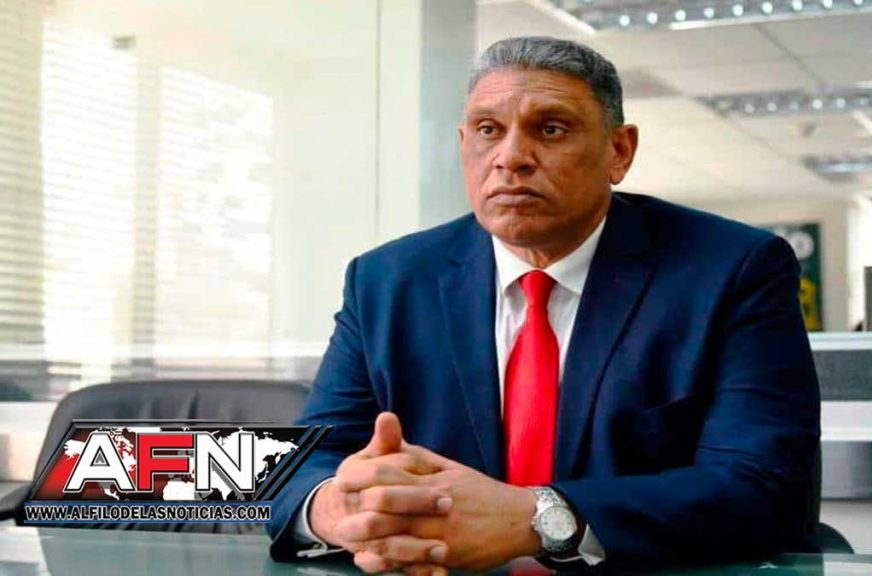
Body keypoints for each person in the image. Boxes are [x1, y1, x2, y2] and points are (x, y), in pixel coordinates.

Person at [269, 36, 821, 574]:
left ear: (619, 151)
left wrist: (534, 518)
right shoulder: (387, 280)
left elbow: (765, 487)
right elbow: (298, 466)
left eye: (551, 129)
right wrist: (342, 511)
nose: (511, 158)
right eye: (488, 130)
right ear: (463, 143)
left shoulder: (731, 269)